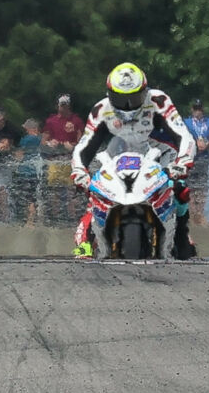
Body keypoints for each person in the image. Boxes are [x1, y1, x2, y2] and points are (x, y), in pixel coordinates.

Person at [70, 62, 197, 257]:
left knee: (179, 189)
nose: (128, 105)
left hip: (155, 155)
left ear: (144, 91)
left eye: (133, 97)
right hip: (116, 157)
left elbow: (183, 135)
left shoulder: (158, 100)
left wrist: (182, 162)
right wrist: (79, 172)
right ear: (109, 93)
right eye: (120, 98)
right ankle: (86, 242)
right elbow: (84, 146)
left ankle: (181, 237)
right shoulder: (101, 110)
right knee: (95, 192)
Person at [183, 100, 209, 223]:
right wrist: (194, 143)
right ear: (192, 109)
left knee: (204, 188)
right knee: (189, 188)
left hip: (206, 158)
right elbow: (181, 138)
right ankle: (191, 215)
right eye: (195, 108)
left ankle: (203, 216)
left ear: (203, 109)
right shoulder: (185, 122)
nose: (197, 111)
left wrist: (207, 144)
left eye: (199, 108)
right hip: (190, 158)